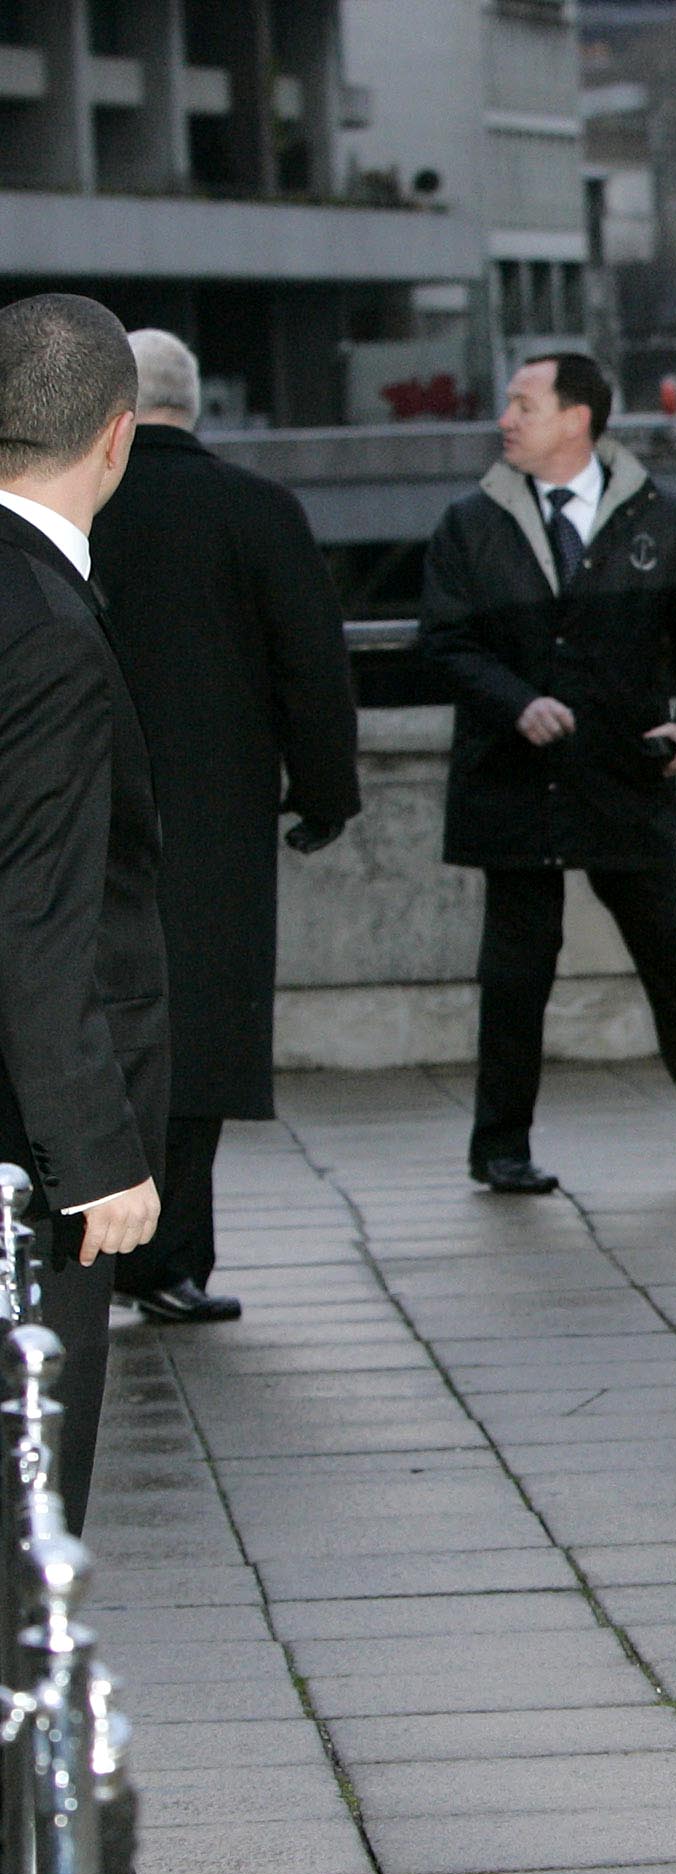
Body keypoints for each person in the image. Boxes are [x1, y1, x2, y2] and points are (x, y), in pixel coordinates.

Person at [419, 351, 676, 1194]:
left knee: (669, 960)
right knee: (515, 971)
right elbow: (446, 640)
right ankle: (499, 1147)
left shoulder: (665, 521)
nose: (506, 419)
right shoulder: (471, 522)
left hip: (623, 774)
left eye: (523, 404)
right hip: (513, 777)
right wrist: (514, 702)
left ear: (577, 418)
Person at [92, 328, 360, 1325]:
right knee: (196, 1033)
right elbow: (313, 673)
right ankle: (170, 1254)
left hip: (80, 809)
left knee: (85, 1026)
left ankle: (81, 1238)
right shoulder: (257, 510)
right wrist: (324, 797)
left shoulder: (67, 513)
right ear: (195, 402)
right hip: (215, 816)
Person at [0, 293, 163, 1530]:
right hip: (23, 1148)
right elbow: (39, 912)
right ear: (118, 437)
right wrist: (95, 1156)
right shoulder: (50, 628)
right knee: (28, 1514)